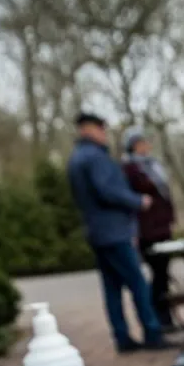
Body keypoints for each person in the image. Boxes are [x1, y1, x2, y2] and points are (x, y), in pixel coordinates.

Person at [66, 112, 167, 352]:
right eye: (102, 129)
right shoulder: (95, 158)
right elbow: (108, 190)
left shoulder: (77, 158)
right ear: (92, 129)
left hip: (96, 231)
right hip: (114, 231)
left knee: (112, 288)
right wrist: (137, 201)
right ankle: (153, 332)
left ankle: (122, 338)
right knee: (137, 282)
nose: (105, 135)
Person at [121, 127, 178, 331]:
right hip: (147, 231)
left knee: (163, 274)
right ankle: (159, 318)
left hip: (163, 228)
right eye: (142, 142)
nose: (147, 146)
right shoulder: (130, 169)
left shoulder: (153, 165)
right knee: (157, 274)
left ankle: (166, 318)